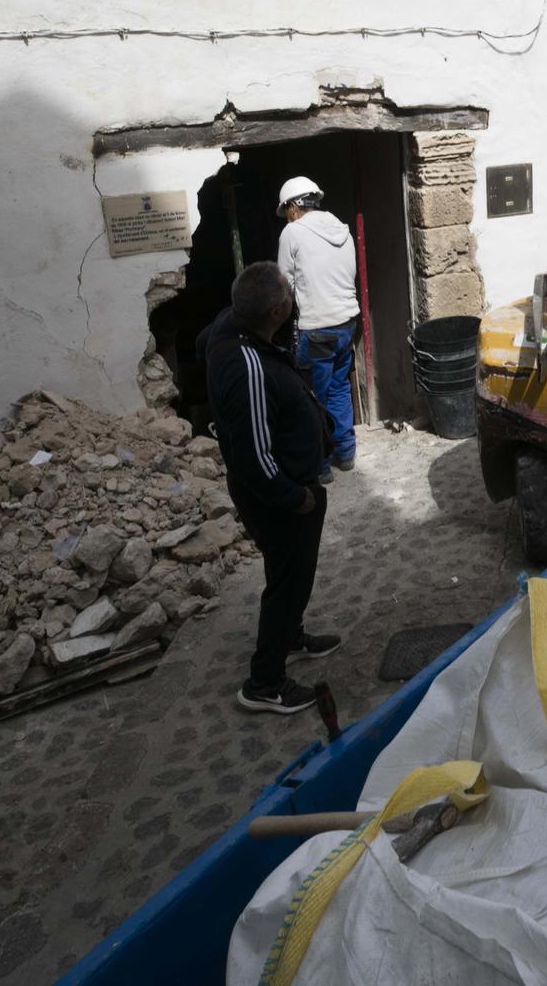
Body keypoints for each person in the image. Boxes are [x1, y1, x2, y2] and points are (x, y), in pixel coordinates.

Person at [200, 262, 340, 713]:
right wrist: (293, 497)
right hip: (280, 498)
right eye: (289, 295)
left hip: (286, 489)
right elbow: (255, 454)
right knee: (286, 583)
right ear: (280, 309)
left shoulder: (233, 329)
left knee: (290, 577)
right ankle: (265, 684)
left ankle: (291, 636)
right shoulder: (248, 367)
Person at [275, 176, 361, 474]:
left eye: (286, 209)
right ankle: (345, 452)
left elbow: (283, 284)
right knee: (338, 388)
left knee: (312, 397)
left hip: (318, 328)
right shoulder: (342, 229)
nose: (286, 216)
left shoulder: (292, 233)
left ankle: (319, 464)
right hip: (347, 323)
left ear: (295, 206)